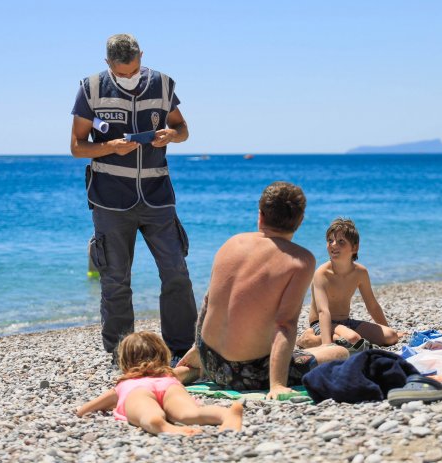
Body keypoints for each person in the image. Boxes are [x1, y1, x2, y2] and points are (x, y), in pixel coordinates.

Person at [70, 34, 197, 363]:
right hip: (110, 201)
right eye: (121, 72)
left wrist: (173, 135)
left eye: (133, 70)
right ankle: (120, 353)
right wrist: (110, 147)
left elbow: (183, 129)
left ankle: (183, 349)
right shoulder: (91, 88)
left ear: (141, 56)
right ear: (107, 63)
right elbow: (77, 146)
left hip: (158, 198)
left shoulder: (164, 84)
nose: (128, 76)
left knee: (176, 272)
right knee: (115, 280)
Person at [178, 182, 349, 399]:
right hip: (249, 374)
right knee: (338, 352)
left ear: (260, 215)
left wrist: (197, 349)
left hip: (209, 357)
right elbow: (285, 323)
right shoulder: (300, 260)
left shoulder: (233, 242)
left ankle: (188, 369)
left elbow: (210, 302)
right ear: (300, 220)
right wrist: (277, 384)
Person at [76, 331, 242, 435]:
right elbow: (188, 372)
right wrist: (197, 370)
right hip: (169, 387)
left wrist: (82, 410)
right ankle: (226, 414)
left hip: (136, 391)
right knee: (190, 413)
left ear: (124, 362)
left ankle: (158, 423)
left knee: (146, 412)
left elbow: (85, 410)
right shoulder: (169, 375)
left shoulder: (123, 385)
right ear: (164, 355)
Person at [304, 218, 399, 348]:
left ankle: (334, 339)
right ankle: (308, 339)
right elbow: (323, 311)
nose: (333, 244)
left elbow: (372, 306)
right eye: (330, 240)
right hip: (321, 323)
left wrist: (386, 329)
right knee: (353, 339)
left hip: (346, 322)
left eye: (341, 241)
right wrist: (326, 346)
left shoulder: (360, 272)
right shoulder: (322, 274)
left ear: (354, 247)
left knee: (391, 336)